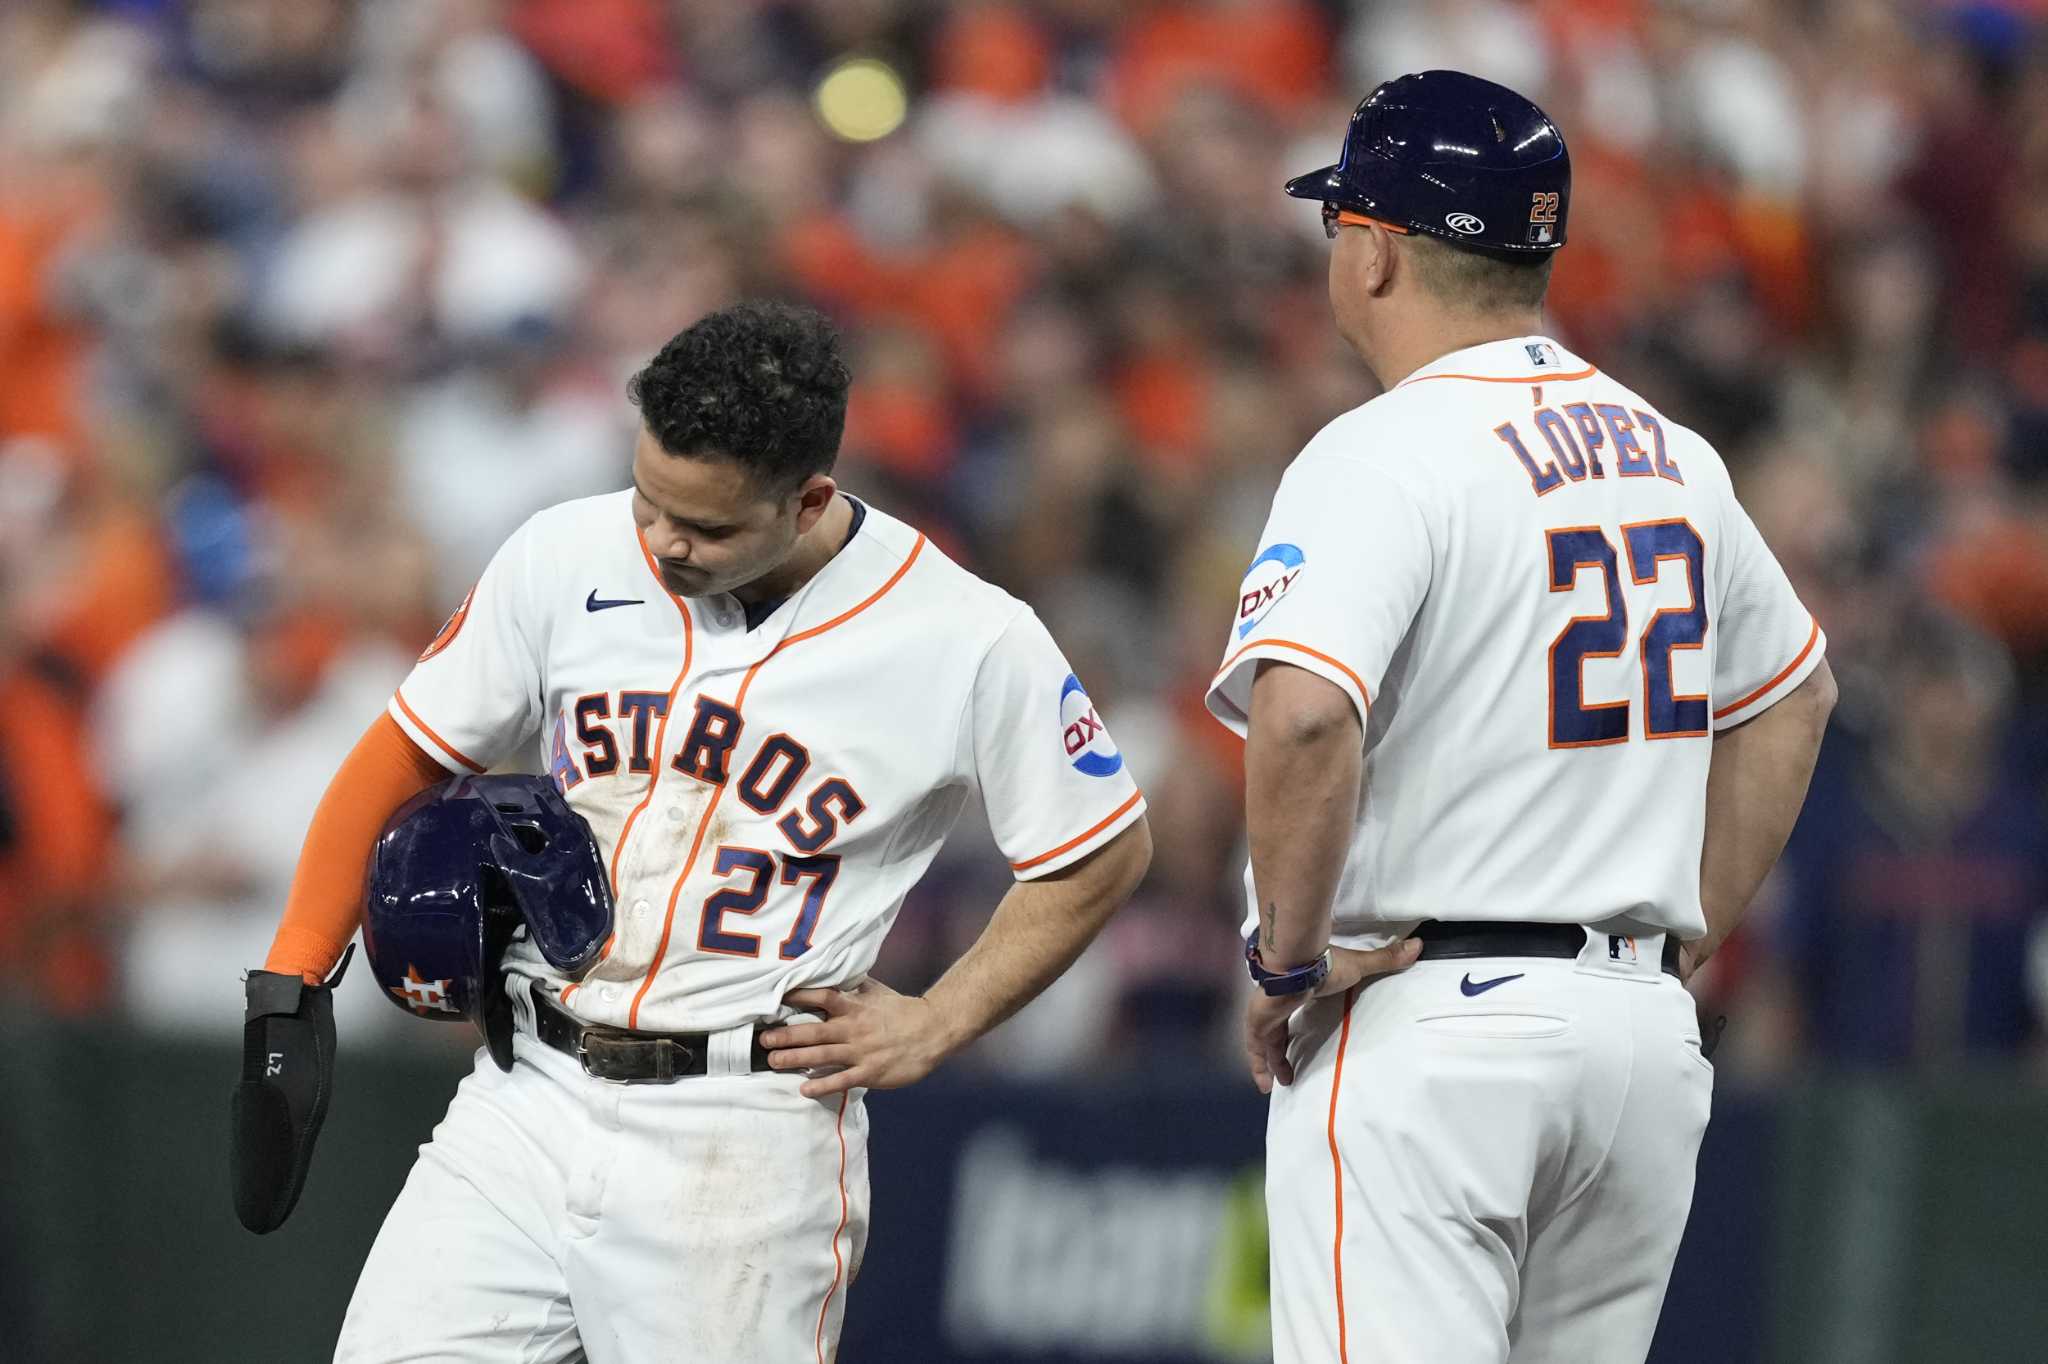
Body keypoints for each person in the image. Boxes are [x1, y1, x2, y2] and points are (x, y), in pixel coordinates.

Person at [236, 300, 1152, 1362]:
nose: (663, 541)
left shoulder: (965, 636)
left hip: (740, 1136)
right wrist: (293, 971)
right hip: (524, 1092)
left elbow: (1101, 847)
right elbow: (409, 747)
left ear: (808, 497)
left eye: (706, 526)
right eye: (649, 502)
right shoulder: (563, 551)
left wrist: (939, 1017)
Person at [1204, 72, 1836, 1363]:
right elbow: (1797, 698)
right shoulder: (1674, 453)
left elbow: (1307, 719)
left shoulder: (1380, 450)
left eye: (1341, 229)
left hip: (1434, 1030)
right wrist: (1678, 936)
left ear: (1376, 254)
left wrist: (1284, 959)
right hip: (1638, 1047)